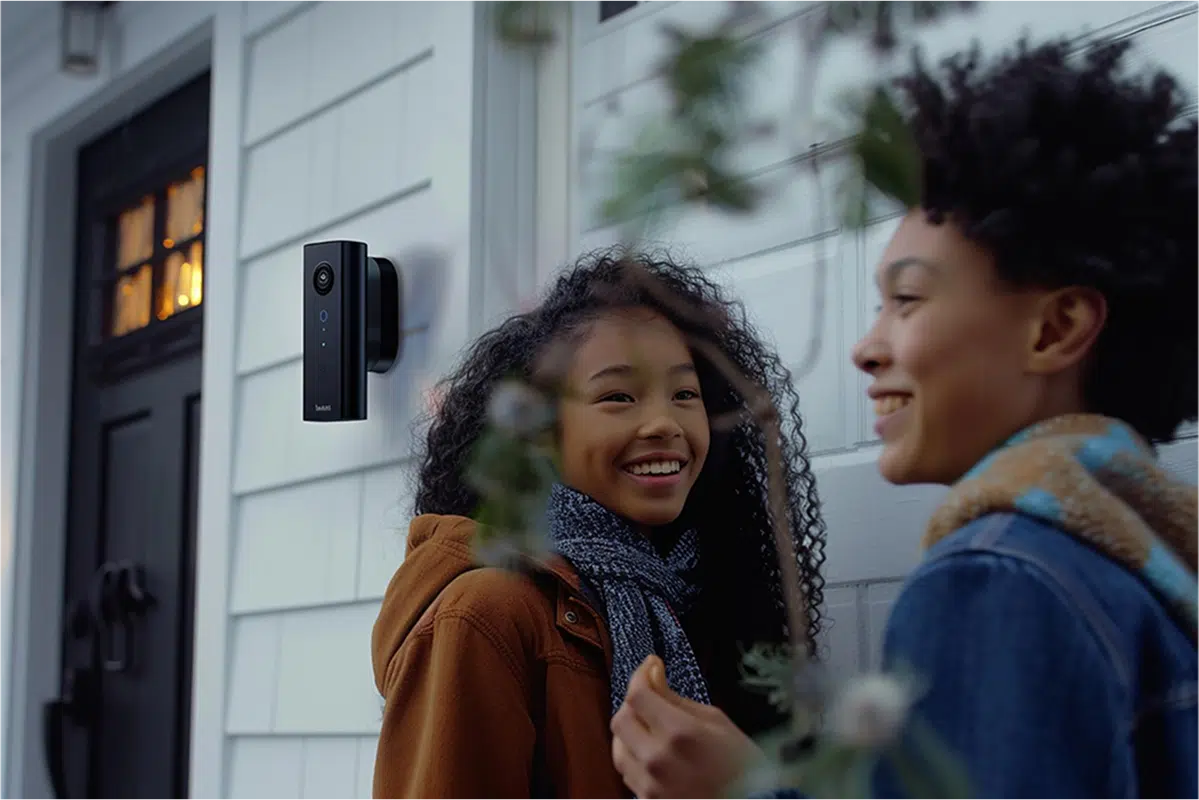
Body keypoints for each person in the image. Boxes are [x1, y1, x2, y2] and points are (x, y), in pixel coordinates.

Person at [607, 37, 1199, 799]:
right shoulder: (1145, 567)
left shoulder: (996, 579)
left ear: (1053, 330)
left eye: (908, 300)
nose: (865, 347)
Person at [369, 249, 828, 799]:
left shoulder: (711, 597)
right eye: (618, 396)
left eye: (686, 394)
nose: (663, 422)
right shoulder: (486, 613)